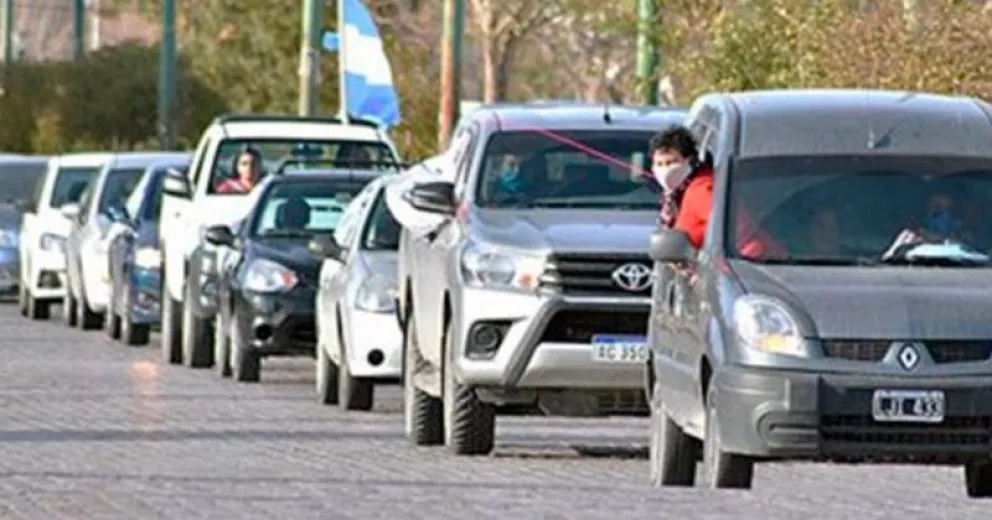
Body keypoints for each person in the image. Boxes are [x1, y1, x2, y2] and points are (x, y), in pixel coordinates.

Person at [648, 126, 782, 258]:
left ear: (690, 161)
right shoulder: (677, 194)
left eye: (672, 162)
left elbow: (736, 232)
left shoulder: (701, 189)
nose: (665, 170)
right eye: (659, 164)